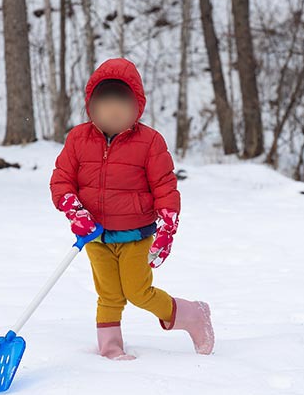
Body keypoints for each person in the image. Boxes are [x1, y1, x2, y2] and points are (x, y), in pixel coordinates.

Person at [50, 58, 214, 359]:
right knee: (108, 294)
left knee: (138, 291)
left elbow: (165, 188)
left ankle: (191, 314)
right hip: (95, 237)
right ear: (91, 106)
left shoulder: (150, 143)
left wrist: (167, 228)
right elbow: (61, 182)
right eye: (105, 104)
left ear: (137, 107)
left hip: (135, 235)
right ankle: (111, 347)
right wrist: (76, 212)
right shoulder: (77, 139)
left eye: (121, 105)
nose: (113, 111)